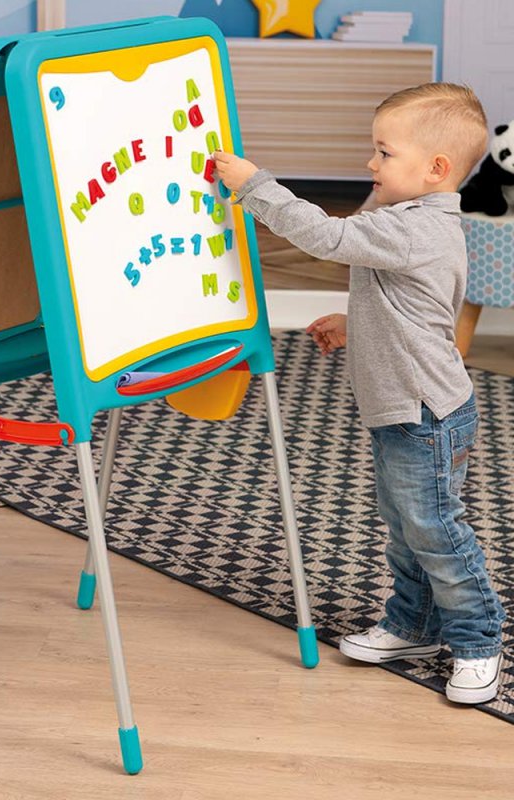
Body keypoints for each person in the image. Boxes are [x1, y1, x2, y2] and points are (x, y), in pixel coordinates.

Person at [214, 83, 506, 705]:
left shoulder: (415, 228)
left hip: (425, 413)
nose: (370, 163)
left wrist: (255, 186)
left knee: (435, 530)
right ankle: (414, 626)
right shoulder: (413, 223)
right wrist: (356, 322)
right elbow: (420, 304)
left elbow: (327, 238)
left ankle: (479, 641)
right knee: (407, 529)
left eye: (384, 152)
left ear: (436, 168)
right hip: (407, 409)